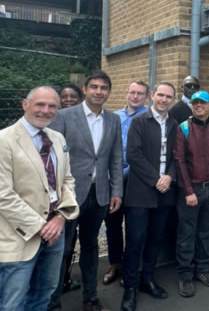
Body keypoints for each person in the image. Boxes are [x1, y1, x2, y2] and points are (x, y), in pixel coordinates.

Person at [49, 70, 123, 311]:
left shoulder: (113, 120)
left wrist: (116, 191)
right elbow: (53, 157)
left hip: (99, 194)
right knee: (62, 249)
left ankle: (90, 298)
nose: (99, 91)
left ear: (108, 92)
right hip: (69, 195)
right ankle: (53, 301)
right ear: (86, 90)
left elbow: (115, 157)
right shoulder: (64, 116)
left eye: (103, 88)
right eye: (94, 87)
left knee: (90, 246)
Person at [0, 87, 79, 310]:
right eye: (40, 105)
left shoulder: (57, 138)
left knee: (43, 294)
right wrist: (42, 227)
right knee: (11, 303)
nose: (46, 111)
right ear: (25, 104)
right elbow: (3, 195)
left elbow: (67, 181)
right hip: (20, 236)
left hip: (56, 232)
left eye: (52, 106)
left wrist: (62, 217)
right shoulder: (4, 141)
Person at [120, 83, 178, 311]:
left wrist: (170, 177)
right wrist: (157, 178)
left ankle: (148, 279)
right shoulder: (139, 122)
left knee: (156, 238)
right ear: (152, 96)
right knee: (135, 241)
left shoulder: (174, 124)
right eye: (160, 95)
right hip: (141, 191)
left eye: (168, 96)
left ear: (173, 100)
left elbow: (178, 156)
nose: (163, 99)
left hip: (165, 192)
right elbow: (133, 155)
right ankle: (131, 287)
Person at [174, 91, 209, 298]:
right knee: (187, 234)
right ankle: (185, 275)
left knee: (206, 232)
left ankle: (203, 270)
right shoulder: (184, 128)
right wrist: (188, 191)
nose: (199, 106)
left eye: (203, 103)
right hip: (191, 191)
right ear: (192, 106)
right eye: (195, 103)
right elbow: (179, 161)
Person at [105, 81, 149, 286]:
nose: (135, 96)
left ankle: (132, 267)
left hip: (135, 180)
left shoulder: (149, 118)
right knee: (113, 224)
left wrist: (122, 173)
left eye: (140, 93)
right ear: (126, 94)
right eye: (132, 92)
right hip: (112, 180)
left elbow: (145, 154)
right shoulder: (114, 117)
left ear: (146, 97)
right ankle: (115, 264)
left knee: (134, 227)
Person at [57, 83, 83, 294]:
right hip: (62, 192)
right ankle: (55, 287)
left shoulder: (78, 122)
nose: (67, 100)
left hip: (83, 189)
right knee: (62, 245)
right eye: (64, 96)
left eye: (72, 96)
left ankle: (65, 279)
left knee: (72, 242)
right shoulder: (54, 121)